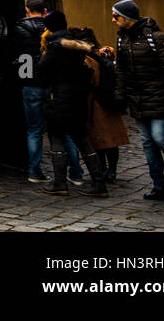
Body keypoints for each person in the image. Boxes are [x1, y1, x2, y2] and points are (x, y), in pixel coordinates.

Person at [112, 0, 164, 201]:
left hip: (159, 98)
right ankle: (159, 186)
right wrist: (120, 97)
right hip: (137, 99)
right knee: (147, 142)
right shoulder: (122, 39)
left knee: (161, 138)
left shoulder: (156, 37)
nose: (113, 20)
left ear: (127, 17)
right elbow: (121, 71)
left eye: (116, 16)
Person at [10, 0, 85, 185]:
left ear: (27, 10)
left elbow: (17, 56)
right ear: (44, 11)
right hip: (53, 85)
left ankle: (34, 171)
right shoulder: (50, 27)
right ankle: (75, 172)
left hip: (29, 82)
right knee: (64, 131)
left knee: (34, 130)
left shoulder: (19, 29)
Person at [37, 11, 109, 196]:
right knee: (82, 140)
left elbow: (42, 68)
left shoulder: (55, 46)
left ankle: (60, 183)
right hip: (78, 99)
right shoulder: (77, 45)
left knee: (57, 139)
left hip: (60, 99)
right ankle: (99, 183)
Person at [77, 29, 128, 183]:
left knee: (98, 141)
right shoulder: (103, 53)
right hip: (108, 101)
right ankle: (110, 170)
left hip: (95, 102)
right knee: (110, 141)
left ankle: (105, 169)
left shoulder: (86, 59)